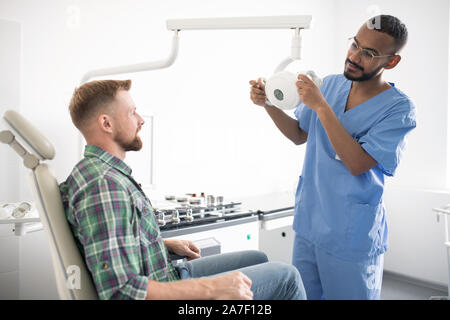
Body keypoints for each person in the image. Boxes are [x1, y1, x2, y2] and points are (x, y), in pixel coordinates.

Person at [59, 79, 306, 300]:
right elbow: (121, 291)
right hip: (165, 289)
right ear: (106, 123)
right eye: (132, 112)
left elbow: (111, 244)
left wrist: (160, 243)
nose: (141, 119)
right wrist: (213, 289)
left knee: (258, 259)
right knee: (287, 277)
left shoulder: (100, 173)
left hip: (166, 274)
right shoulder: (104, 186)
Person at [249, 15, 416, 300]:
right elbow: (299, 134)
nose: (354, 56)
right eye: (354, 44)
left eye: (369, 53)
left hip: (351, 235)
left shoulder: (398, 109)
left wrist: (322, 106)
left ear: (391, 62)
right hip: (309, 224)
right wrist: (268, 105)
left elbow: (357, 163)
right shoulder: (329, 85)